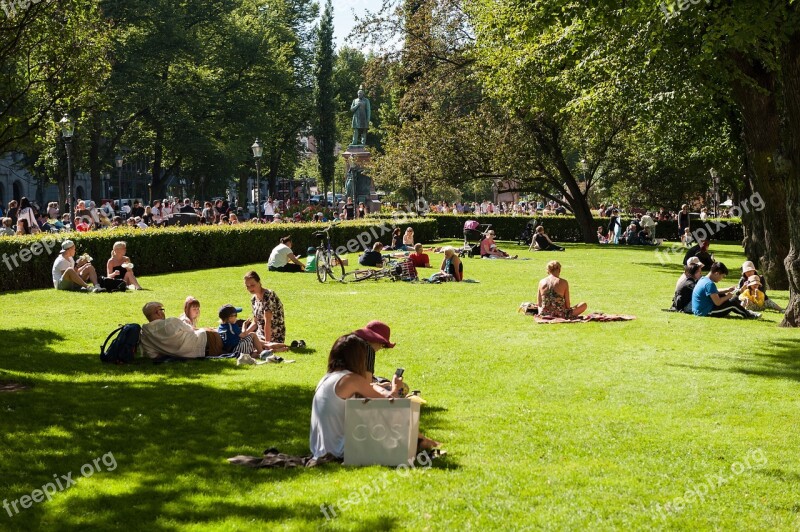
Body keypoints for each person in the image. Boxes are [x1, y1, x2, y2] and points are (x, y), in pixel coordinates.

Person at [309, 333, 439, 460]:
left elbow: (371, 390)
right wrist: (396, 386)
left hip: (320, 449)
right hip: (339, 451)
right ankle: (421, 442)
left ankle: (421, 441)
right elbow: (391, 402)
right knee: (387, 417)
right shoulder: (350, 379)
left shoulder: (328, 378)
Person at [140, 301, 224, 359]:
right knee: (228, 332)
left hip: (202, 351)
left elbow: (153, 355)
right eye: (162, 310)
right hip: (208, 340)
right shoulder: (171, 322)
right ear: (158, 312)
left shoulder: (144, 334)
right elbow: (192, 329)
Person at [692, 262, 759, 319]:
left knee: (723, 295)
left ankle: (746, 311)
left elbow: (715, 291)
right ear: (717, 273)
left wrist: (727, 289)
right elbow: (717, 302)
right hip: (705, 312)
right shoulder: (709, 284)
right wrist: (728, 296)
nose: (721, 279)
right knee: (732, 304)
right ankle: (748, 315)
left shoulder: (704, 279)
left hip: (699, 310)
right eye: (722, 276)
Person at [244, 270, 288, 349]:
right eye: (247, 286)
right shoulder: (254, 299)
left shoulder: (268, 295)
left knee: (251, 347)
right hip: (260, 334)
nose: (250, 288)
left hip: (273, 334)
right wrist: (245, 333)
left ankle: (271, 347)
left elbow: (268, 321)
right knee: (244, 344)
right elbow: (255, 322)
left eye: (252, 285)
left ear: (259, 282)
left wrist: (267, 343)